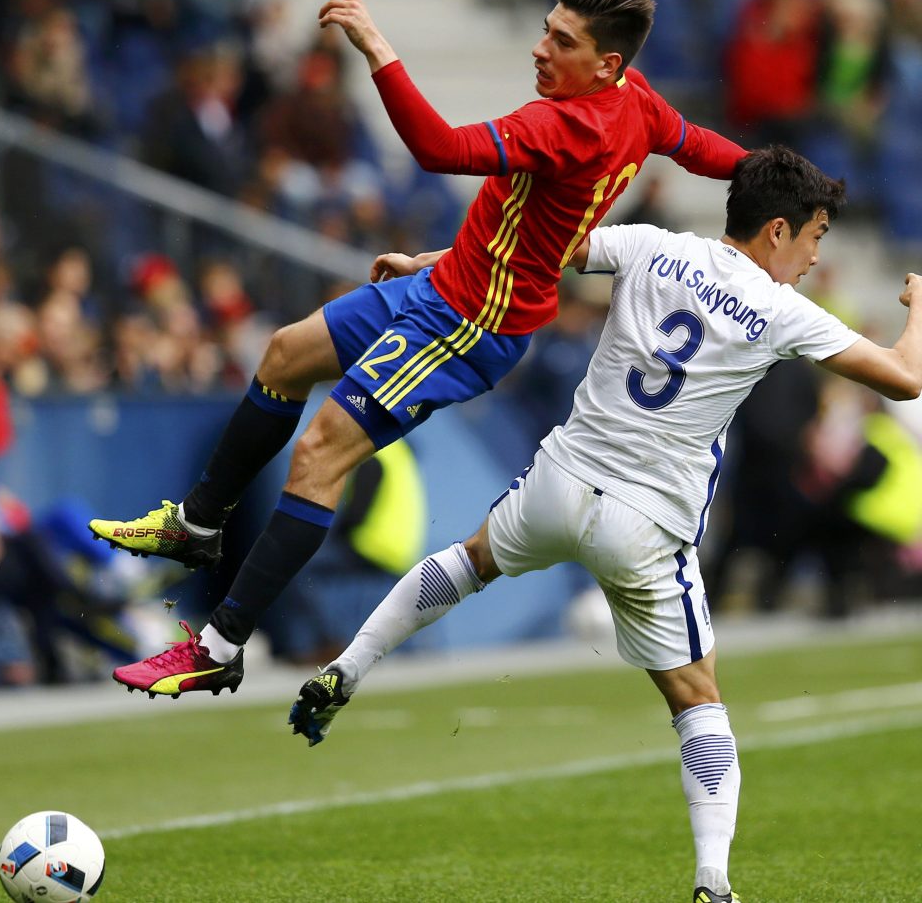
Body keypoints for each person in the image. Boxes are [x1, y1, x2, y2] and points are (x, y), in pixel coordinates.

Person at [287, 146, 922, 903]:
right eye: (815, 235)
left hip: (562, 479)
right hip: (646, 522)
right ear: (778, 230)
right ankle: (714, 881)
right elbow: (904, 376)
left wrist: (429, 262)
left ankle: (348, 668)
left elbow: (522, 255)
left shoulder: (651, 243)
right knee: (698, 698)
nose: (817, 256)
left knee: (471, 559)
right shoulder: (782, 310)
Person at [95, 0, 747, 700]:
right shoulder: (637, 103)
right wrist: (773, 175)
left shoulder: (567, 125)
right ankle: (197, 523)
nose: (539, 49)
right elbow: (696, 148)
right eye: (545, 28)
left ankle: (220, 643)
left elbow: (438, 148)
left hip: (466, 325)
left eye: (561, 41)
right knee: (285, 353)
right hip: (447, 282)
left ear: (606, 65)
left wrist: (376, 45)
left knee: (318, 455)